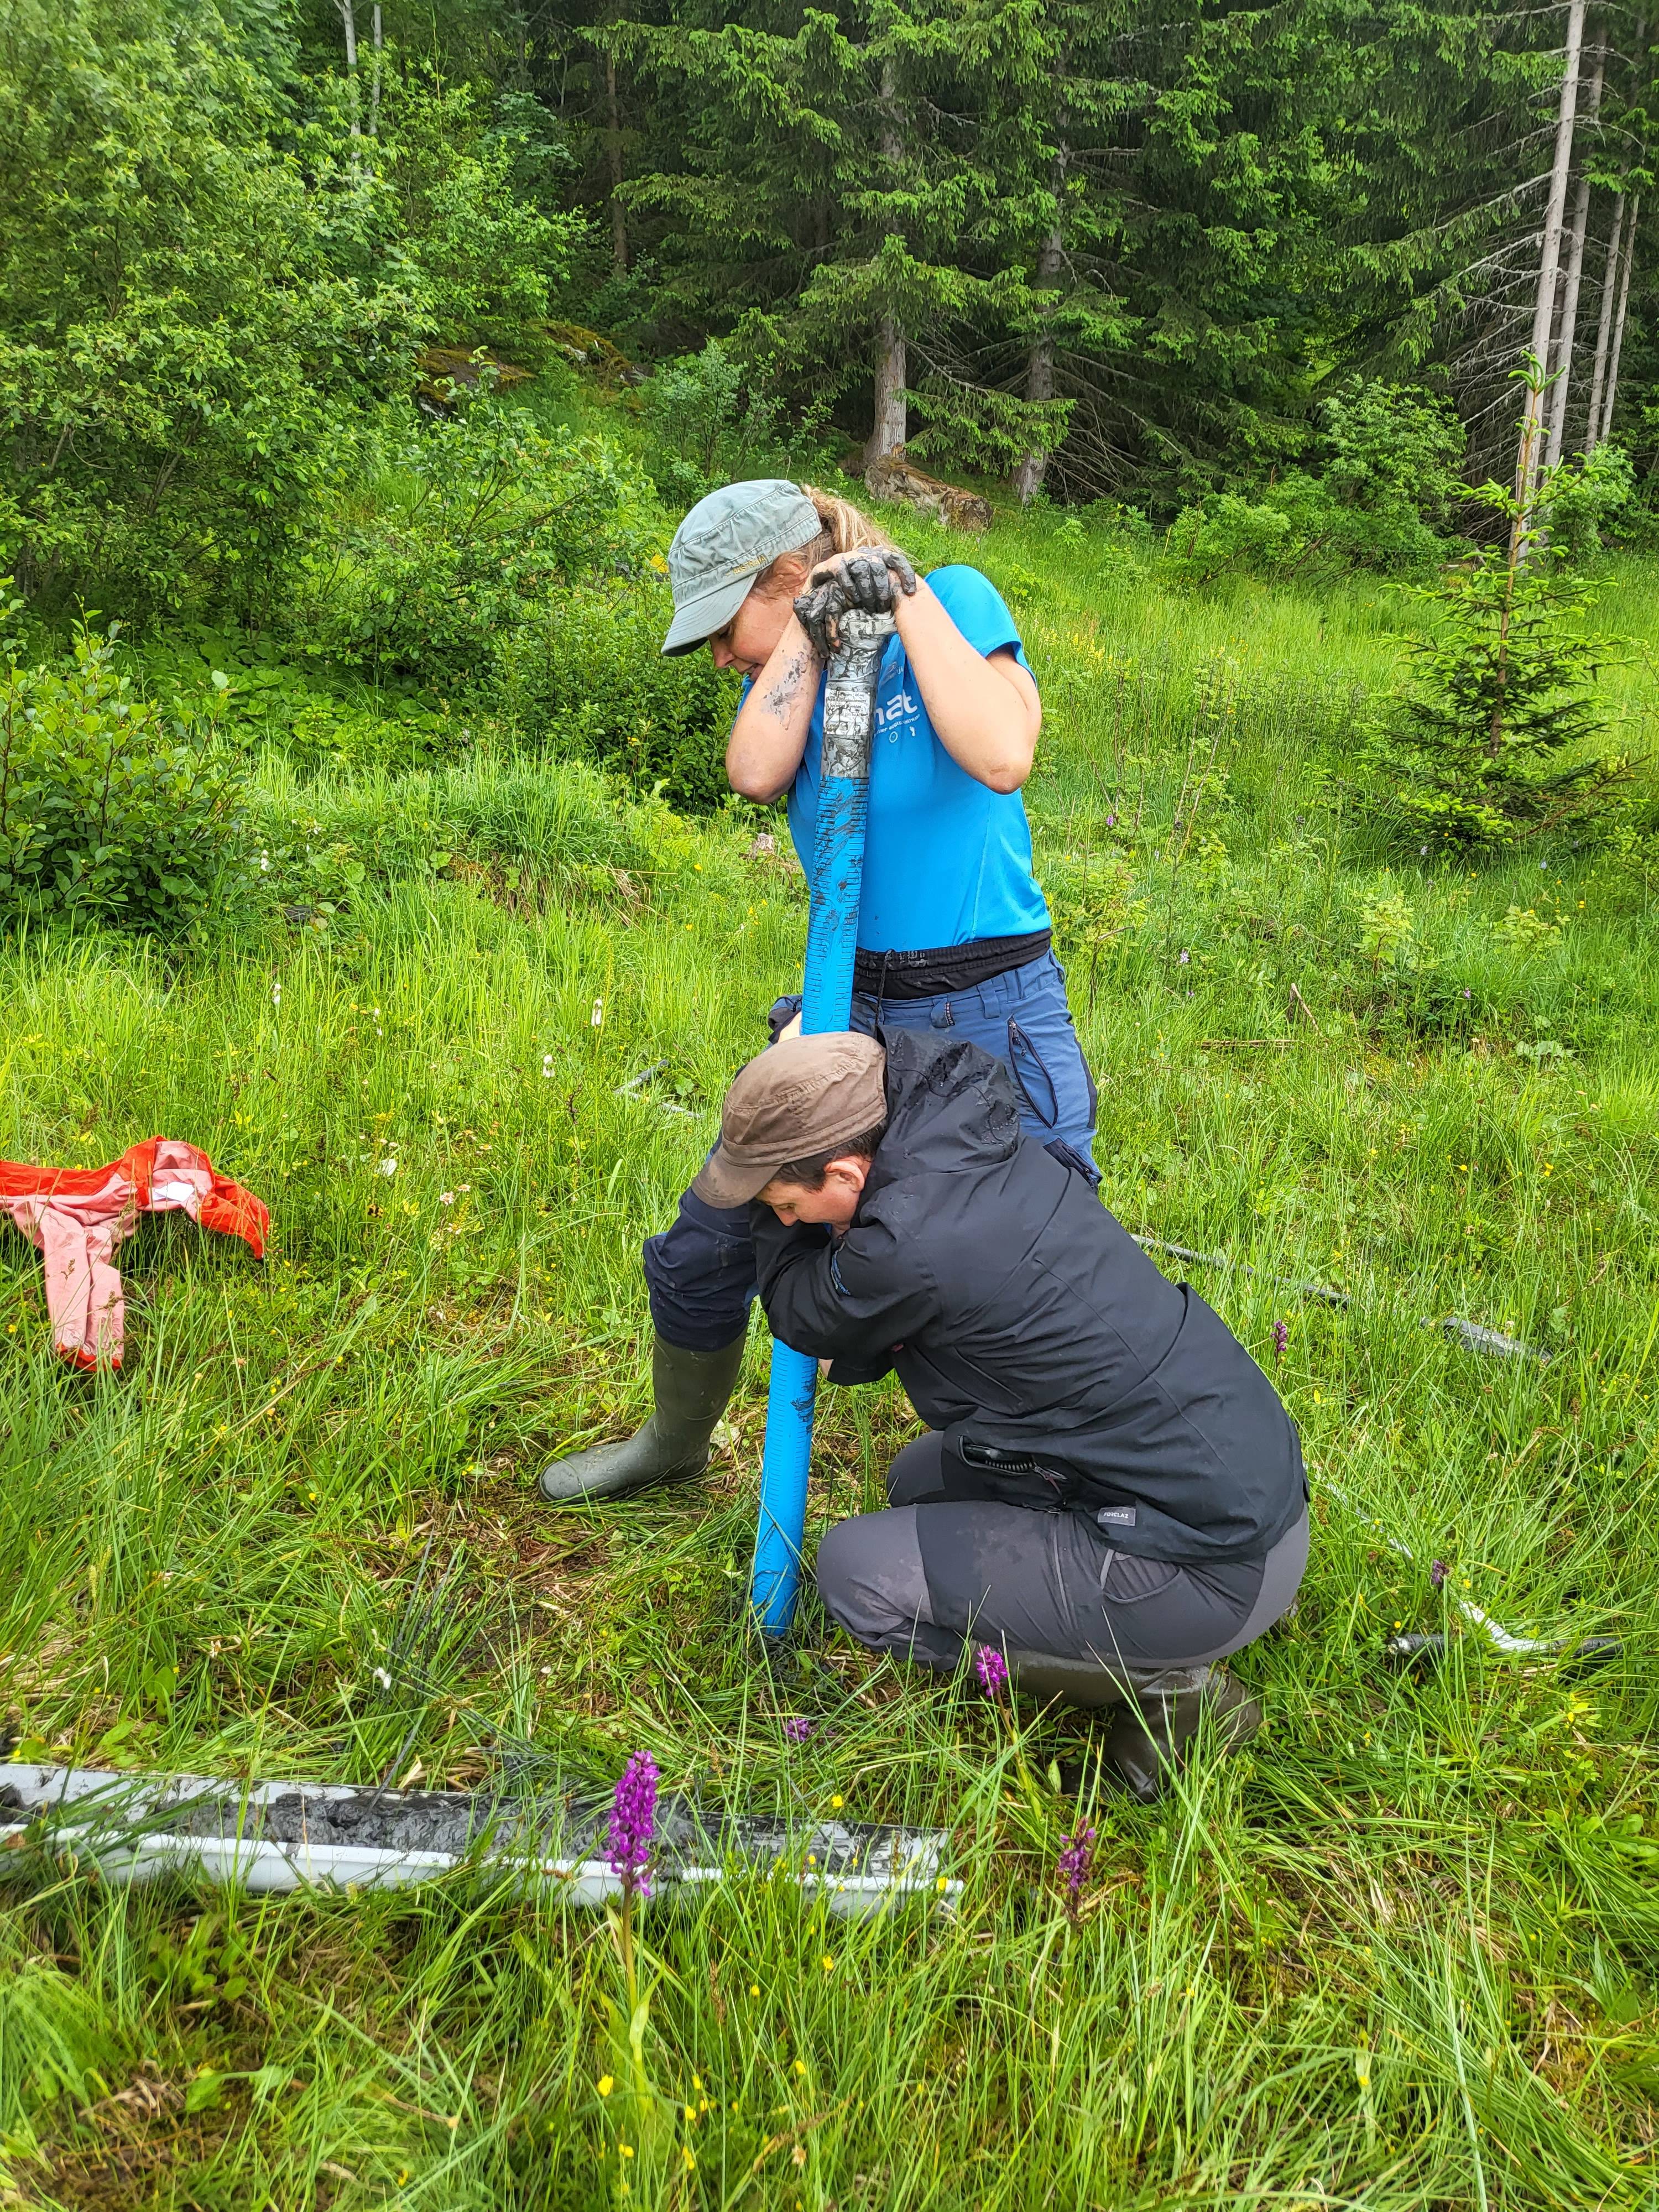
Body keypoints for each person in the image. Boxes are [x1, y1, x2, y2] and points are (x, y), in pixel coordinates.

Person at [540, 477, 1099, 1506]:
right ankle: (674, 1441)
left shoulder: (954, 600)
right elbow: (754, 772)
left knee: (1024, 1264)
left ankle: (1045, 1491)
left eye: (725, 626)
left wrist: (900, 597)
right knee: (709, 1240)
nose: (719, 654)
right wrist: (807, 626)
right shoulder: (794, 660)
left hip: (988, 1002)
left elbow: (1002, 754)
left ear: (787, 569)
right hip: (847, 1003)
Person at [694, 1026, 1311, 1798]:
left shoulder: (911, 1242)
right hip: (1241, 1498)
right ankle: (1153, 1628)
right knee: (919, 1481)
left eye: (788, 1206)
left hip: (1208, 1565)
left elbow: (800, 1310)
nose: (787, 1223)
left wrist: (762, 1214)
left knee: (857, 1578)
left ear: (847, 1173)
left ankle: (1170, 1690)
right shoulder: (957, 1132)